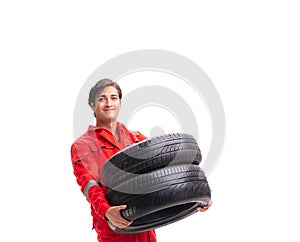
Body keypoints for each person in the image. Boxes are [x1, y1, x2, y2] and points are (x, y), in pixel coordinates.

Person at [70, 78, 211, 242]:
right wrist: (107, 211)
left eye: (114, 98)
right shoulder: (83, 145)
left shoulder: (136, 139)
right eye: (102, 98)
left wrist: (195, 193)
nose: (109, 103)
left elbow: (165, 175)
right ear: (92, 105)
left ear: (120, 103)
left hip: (145, 224)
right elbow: (88, 184)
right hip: (116, 227)